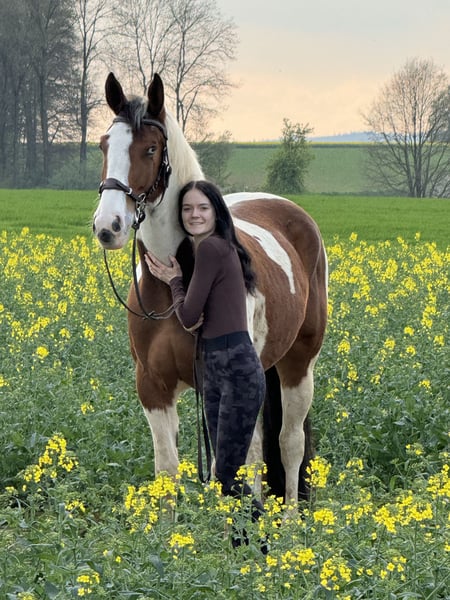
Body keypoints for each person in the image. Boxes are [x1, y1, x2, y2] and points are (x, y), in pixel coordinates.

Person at [144, 180, 266, 549]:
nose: (194, 215)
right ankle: (244, 551)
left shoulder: (212, 248)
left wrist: (175, 281)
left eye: (202, 208)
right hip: (216, 367)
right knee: (225, 474)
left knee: (226, 472)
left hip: (237, 368)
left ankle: (265, 543)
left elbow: (188, 316)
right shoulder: (212, 249)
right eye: (186, 209)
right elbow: (201, 317)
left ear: (216, 212)